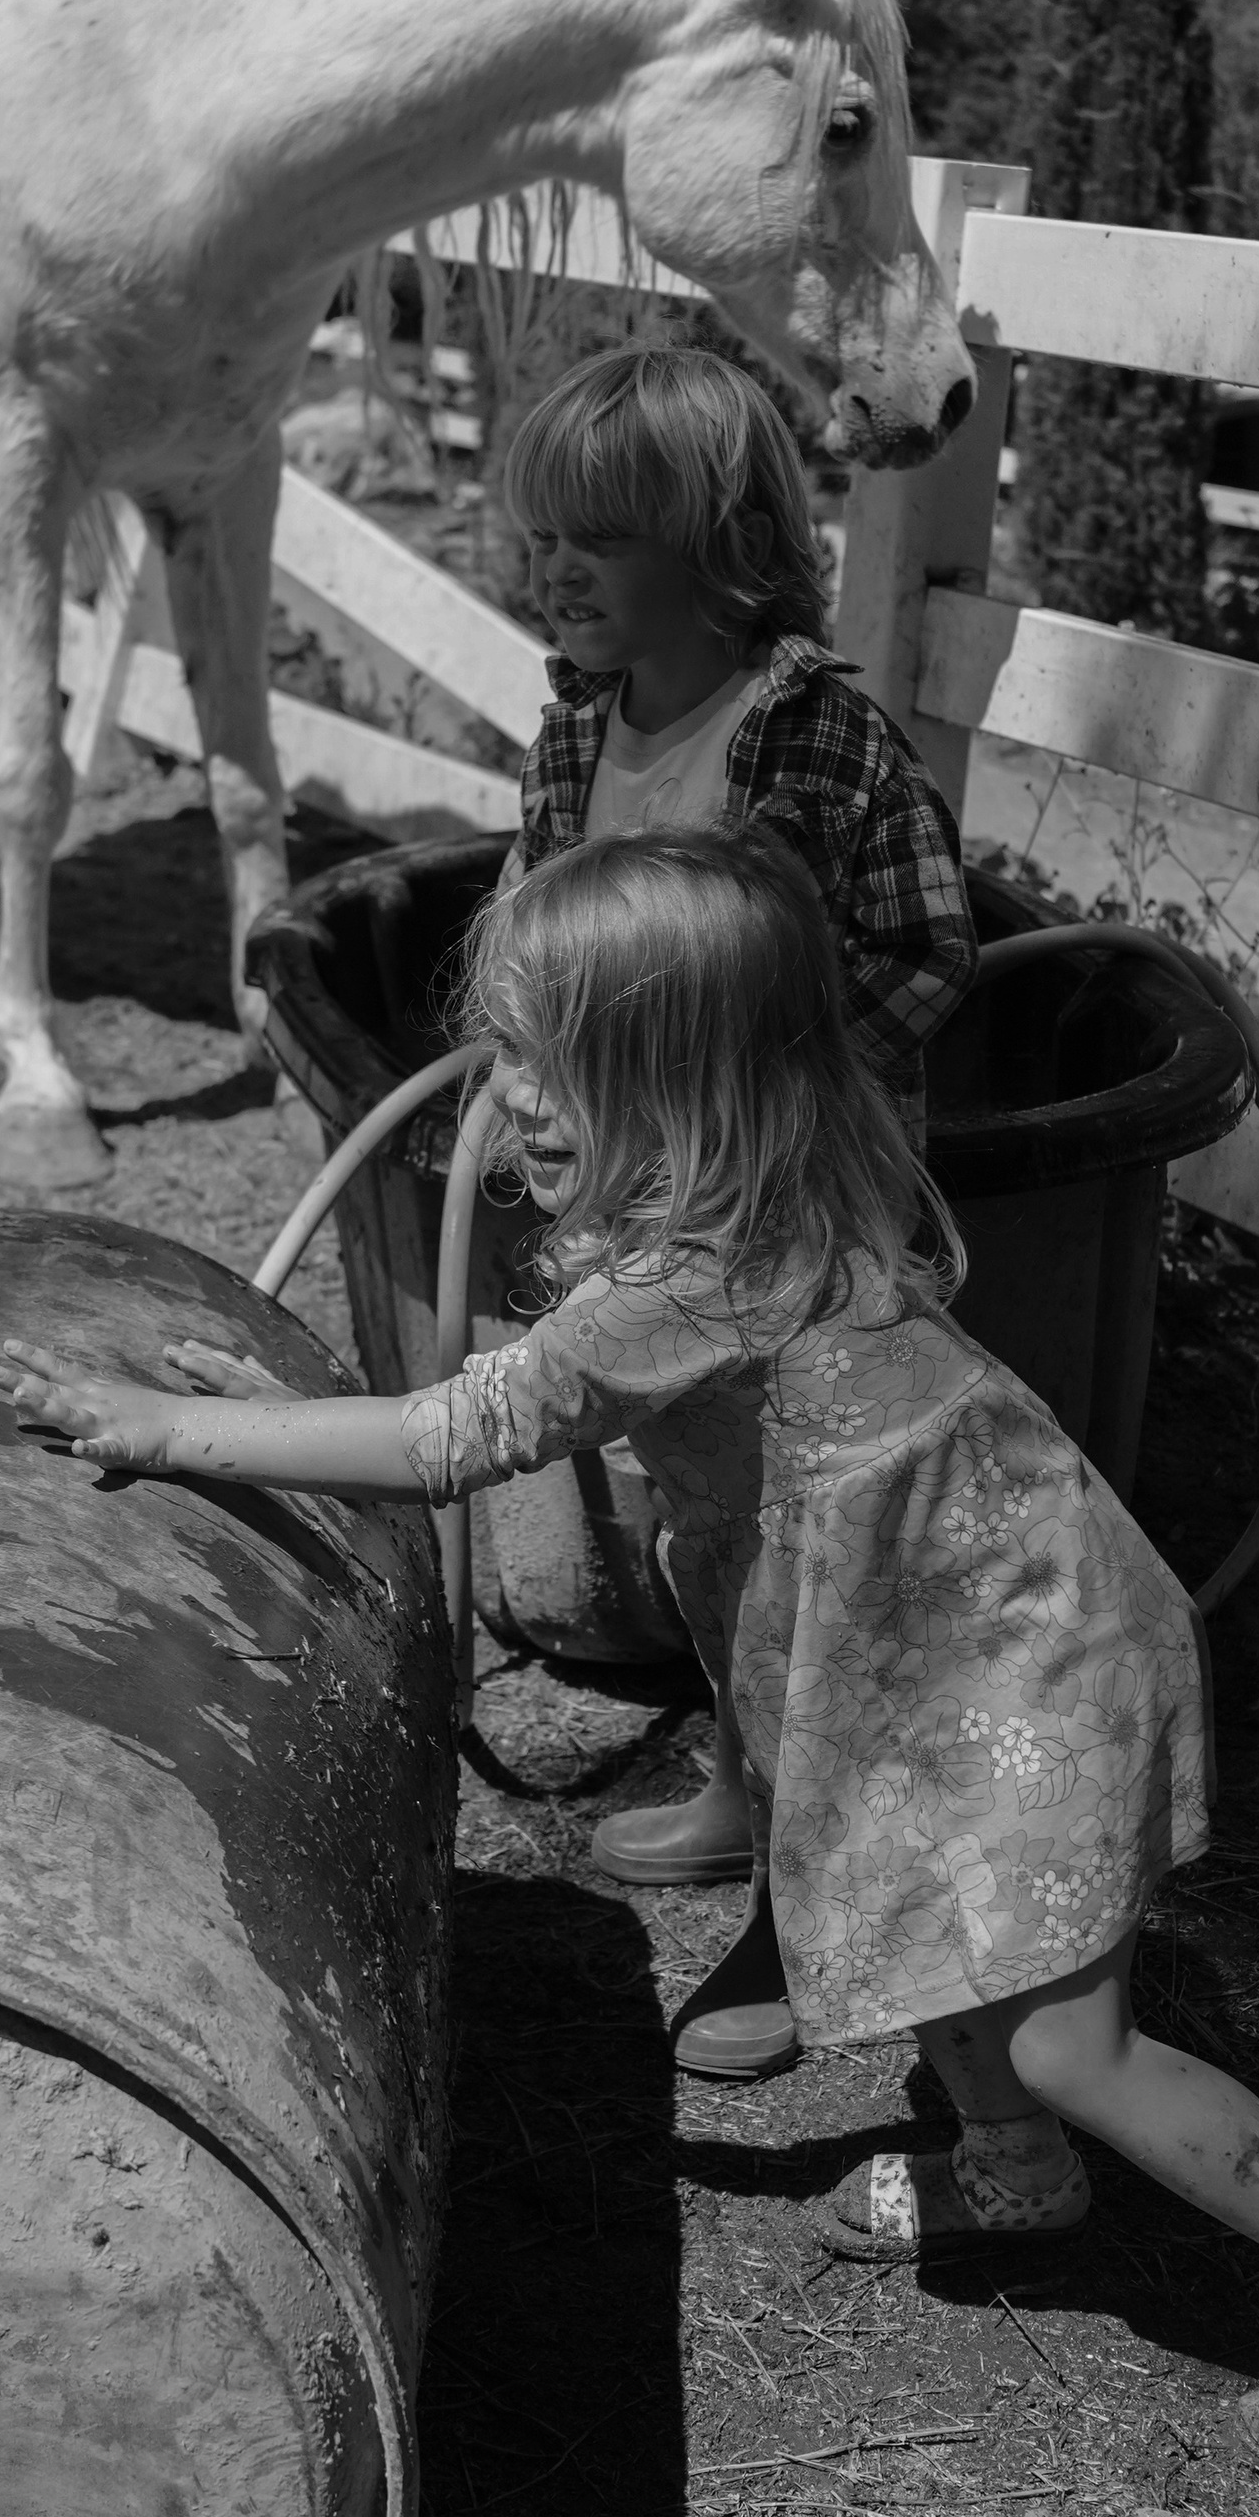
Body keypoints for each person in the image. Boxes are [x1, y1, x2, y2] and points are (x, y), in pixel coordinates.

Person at [0, 831, 1259, 2478]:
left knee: (1072, 2029)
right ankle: (1012, 2167)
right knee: (923, 1902)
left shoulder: (688, 1277)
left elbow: (453, 1432)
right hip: (950, 1644)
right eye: (507, 1053)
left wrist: (175, 1427)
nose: (512, 1099)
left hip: (1025, 1657)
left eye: (558, 1065)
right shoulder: (778, 1174)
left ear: (684, 1087)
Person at [498, 342, 978, 2073]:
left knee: (806, 1569)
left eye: (598, 541)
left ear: (724, 548)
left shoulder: (815, 738)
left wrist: (755, 1095)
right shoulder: (576, 727)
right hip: (655, 1241)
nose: (555, 573)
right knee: (709, 1535)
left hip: (784, 1248)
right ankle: (740, 1778)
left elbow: (927, 952)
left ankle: (811, 1906)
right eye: (543, 535)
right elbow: (542, 938)